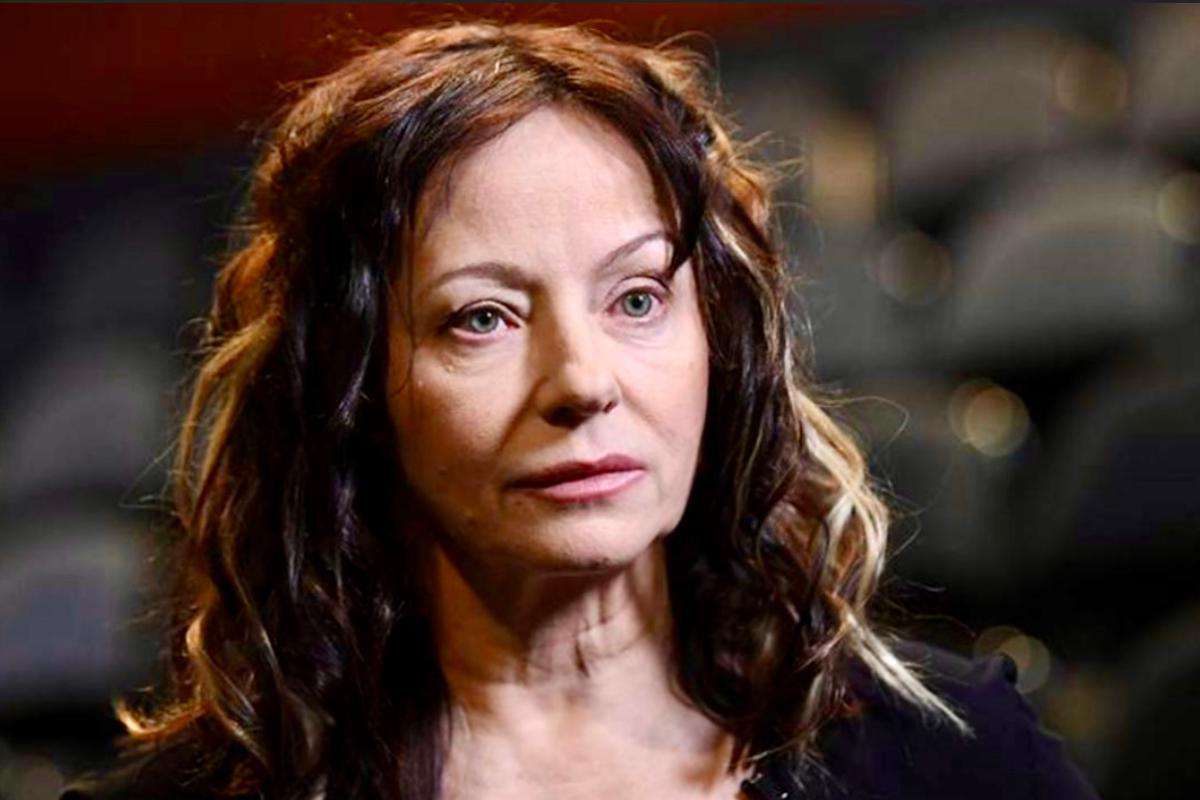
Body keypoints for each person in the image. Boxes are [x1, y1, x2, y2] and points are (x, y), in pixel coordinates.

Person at [59, 19, 1099, 800]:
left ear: (719, 341)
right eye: (483, 317)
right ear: (352, 388)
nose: (582, 381)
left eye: (636, 298)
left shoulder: (954, 753)